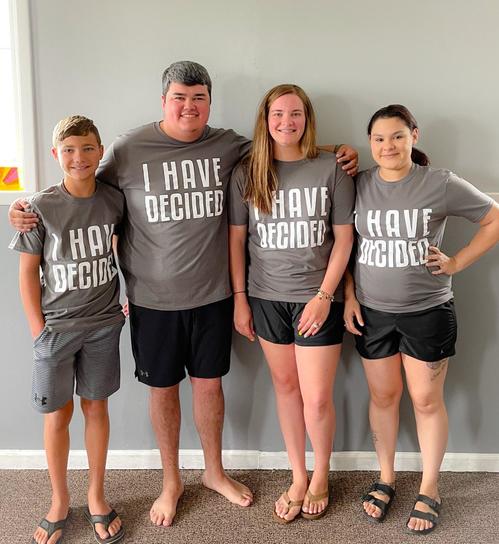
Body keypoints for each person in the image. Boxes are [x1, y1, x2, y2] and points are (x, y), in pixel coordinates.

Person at [8, 61, 359, 527]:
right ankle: (171, 481)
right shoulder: (128, 149)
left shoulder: (228, 145)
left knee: (210, 386)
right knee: (163, 390)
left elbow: (283, 143)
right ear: (164, 101)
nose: (189, 106)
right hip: (152, 300)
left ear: (209, 102)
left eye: (198, 98)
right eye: (179, 97)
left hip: (214, 294)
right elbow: (80, 181)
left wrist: (339, 150)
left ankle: (214, 472)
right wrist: (27, 206)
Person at [343, 104, 499, 534]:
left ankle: (430, 487)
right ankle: (386, 478)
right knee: (383, 397)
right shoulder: (358, 185)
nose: (388, 146)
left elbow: (493, 219)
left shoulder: (439, 183)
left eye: (397, 136)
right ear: (370, 143)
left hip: (427, 311)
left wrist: (456, 262)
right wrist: (349, 295)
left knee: (426, 400)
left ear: (414, 135)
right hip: (372, 313)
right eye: (379, 138)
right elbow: (345, 247)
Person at [229, 84, 355, 523]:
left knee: (317, 398)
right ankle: (298, 476)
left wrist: (324, 296)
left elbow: (344, 239)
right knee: (285, 389)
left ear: (307, 118)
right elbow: (237, 241)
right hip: (265, 298)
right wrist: (240, 300)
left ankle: (321, 475)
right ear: (265, 120)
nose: (287, 122)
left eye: (295, 113)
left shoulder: (333, 168)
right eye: (278, 114)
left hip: (317, 300)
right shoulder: (247, 173)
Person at [9, 116, 125, 544]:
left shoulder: (114, 200)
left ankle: (96, 495)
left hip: (103, 325)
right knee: (58, 414)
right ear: (56, 154)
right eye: (70, 150)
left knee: (96, 408)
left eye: (88, 148)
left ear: (100, 152)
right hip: (56, 329)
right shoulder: (39, 207)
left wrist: (129, 294)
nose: (79, 157)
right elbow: (27, 274)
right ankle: (59, 499)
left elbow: (128, 247)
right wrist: (38, 331)